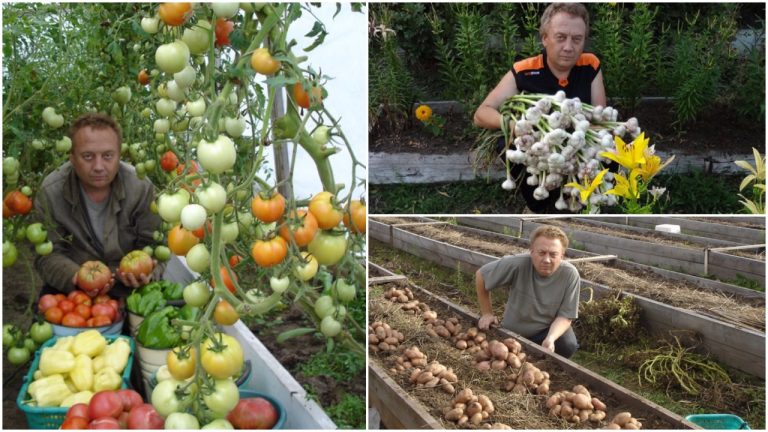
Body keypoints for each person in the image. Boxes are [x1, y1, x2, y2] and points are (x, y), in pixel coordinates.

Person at [474, 3, 607, 213]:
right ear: (545, 38)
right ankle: (537, 205)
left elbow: (602, 119)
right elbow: (482, 113)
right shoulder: (524, 71)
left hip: (578, 142)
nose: (569, 47)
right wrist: (514, 126)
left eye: (577, 39)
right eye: (560, 37)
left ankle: (578, 199)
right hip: (536, 147)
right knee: (505, 143)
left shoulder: (590, 65)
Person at [34, 113, 164, 299]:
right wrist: (76, 277)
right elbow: (47, 254)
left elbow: (155, 244)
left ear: (120, 155)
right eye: (87, 156)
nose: (98, 166)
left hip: (129, 287)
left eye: (108, 156)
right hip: (73, 290)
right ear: (71, 157)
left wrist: (149, 272)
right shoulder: (51, 192)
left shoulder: (140, 187)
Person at [475, 225, 579, 358]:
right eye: (541, 253)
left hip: (546, 330)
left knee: (568, 345)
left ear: (562, 256)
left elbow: (565, 316)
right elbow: (481, 275)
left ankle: (547, 360)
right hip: (514, 331)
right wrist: (487, 313)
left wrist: (551, 338)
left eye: (553, 254)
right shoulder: (518, 264)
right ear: (531, 251)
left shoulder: (569, 274)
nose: (546, 260)